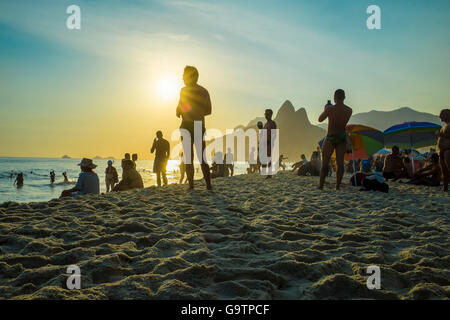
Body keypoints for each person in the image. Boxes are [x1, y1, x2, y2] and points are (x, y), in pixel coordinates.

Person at [176, 65, 212, 190]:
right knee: (202, 157)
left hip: (186, 125)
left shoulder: (183, 90)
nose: (182, 78)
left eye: (184, 75)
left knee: (188, 158)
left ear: (189, 76)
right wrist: (198, 112)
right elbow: (208, 110)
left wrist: (184, 112)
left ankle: (191, 186)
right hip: (198, 124)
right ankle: (208, 186)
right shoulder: (204, 91)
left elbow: (179, 110)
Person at [318, 89, 352, 190]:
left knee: (325, 163)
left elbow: (320, 119)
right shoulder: (349, 110)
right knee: (340, 163)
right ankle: (337, 186)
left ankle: (320, 186)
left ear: (334, 97)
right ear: (344, 97)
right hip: (341, 137)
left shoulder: (329, 109)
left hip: (331, 136)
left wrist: (326, 109)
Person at [437, 109, 450, 191]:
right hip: (442, 150)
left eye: (442, 114)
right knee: (444, 171)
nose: (440, 115)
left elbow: (447, 135)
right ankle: (445, 187)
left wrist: (442, 135)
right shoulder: (444, 126)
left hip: (448, 149)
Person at [262, 109, 277, 177]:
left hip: (269, 143)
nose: (266, 115)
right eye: (265, 114)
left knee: (268, 157)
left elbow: (274, 134)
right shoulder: (266, 124)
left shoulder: (272, 123)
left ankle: (269, 173)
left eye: (267, 114)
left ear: (271, 115)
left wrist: (270, 142)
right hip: (264, 143)